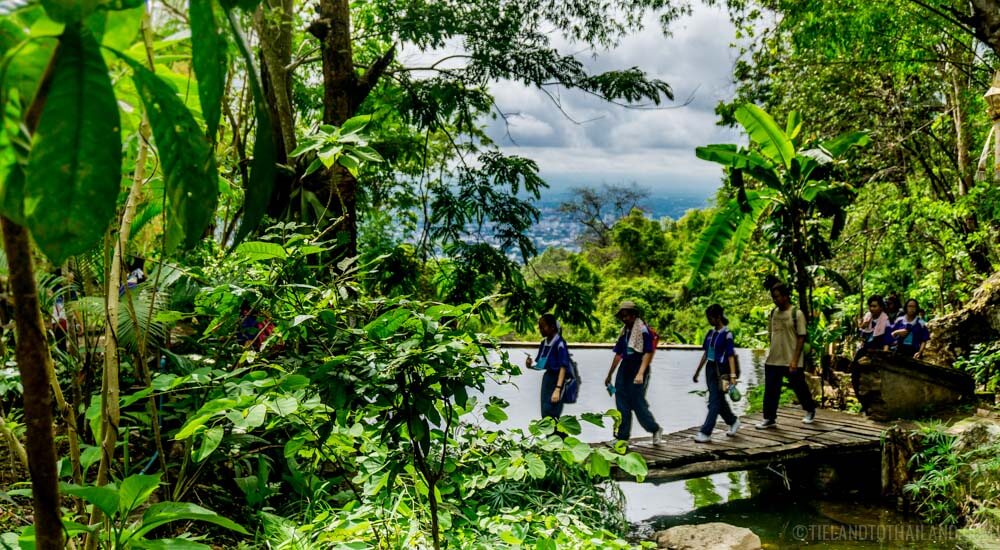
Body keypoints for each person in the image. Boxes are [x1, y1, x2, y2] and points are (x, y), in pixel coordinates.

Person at [756, 283, 817, 429]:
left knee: (799, 387)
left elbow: (801, 337)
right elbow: (772, 334)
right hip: (774, 358)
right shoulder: (773, 313)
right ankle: (769, 418)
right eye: (773, 297)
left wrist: (795, 360)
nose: (775, 300)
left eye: (777, 296)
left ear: (785, 296)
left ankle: (810, 410)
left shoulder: (797, 314)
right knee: (771, 390)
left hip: (791, 359)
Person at [604, 301, 662, 444]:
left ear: (634, 315)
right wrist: (610, 374)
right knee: (621, 402)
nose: (624, 319)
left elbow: (648, 352)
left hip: (639, 366)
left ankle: (654, 429)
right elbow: (619, 354)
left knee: (637, 403)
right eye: (622, 316)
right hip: (625, 368)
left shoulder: (643, 331)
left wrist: (641, 373)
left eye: (627, 316)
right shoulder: (625, 332)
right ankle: (622, 438)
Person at [691, 304, 740, 443]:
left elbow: (730, 355)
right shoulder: (710, 334)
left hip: (721, 371)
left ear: (718, 317)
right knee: (718, 400)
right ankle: (733, 421)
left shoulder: (727, 334)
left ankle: (705, 432)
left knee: (714, 401)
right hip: (710, 369)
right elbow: (706, 353)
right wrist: (697, 372)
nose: (709, 320)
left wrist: (733, 375)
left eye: (711, 318)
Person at [525, 313, 572, 419]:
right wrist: (530, 365)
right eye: (539, 327)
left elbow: (563, 367)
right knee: (545, 412)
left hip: (557, 379)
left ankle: (558, 435)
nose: (540, 330)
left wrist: (558, 389)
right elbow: (541, 365)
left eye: (543, 327)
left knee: (553, 413)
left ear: (552, 327)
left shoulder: (559, 343)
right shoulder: (544, 343)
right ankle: (549, 435)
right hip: (547, 379)